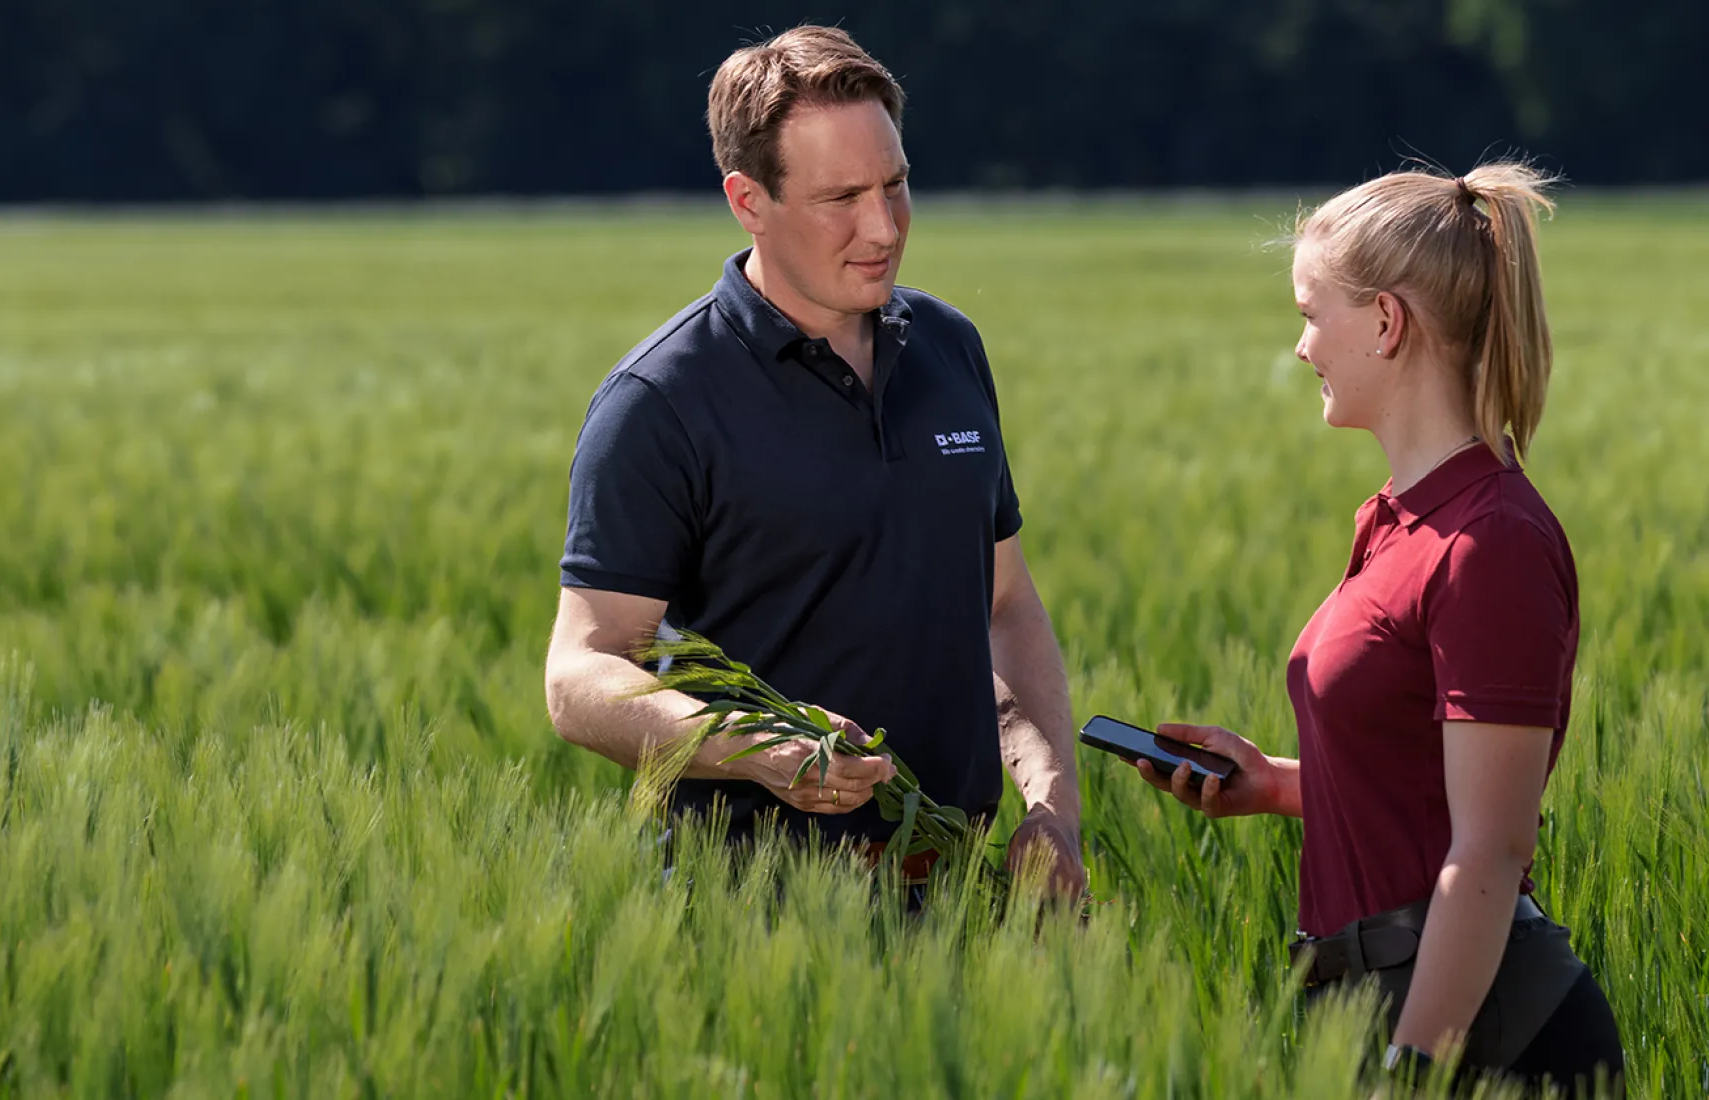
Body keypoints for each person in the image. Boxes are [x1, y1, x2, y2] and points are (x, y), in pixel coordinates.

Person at [541, 25, 1084, 900]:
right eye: (841, 198)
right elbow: (580, 674)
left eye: (897, 184)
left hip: (965, 900)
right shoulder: (662, 400)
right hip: (751, 916)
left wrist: (1052, 805)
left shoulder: (949, 348)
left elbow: (1006, 604)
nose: (885, 227)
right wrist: (755, 751)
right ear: (748, 200)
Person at [1128, 162, 1624, 1094]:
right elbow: (1418, 786)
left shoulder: (1492, 543)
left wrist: (1412, 1067)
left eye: (1314, 314)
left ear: (1387, 324)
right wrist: (1273, 785)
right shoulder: (1394, 520)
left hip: (1477, 1039)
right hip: (1371, 1010)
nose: (1303, 345)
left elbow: (1488, 851)